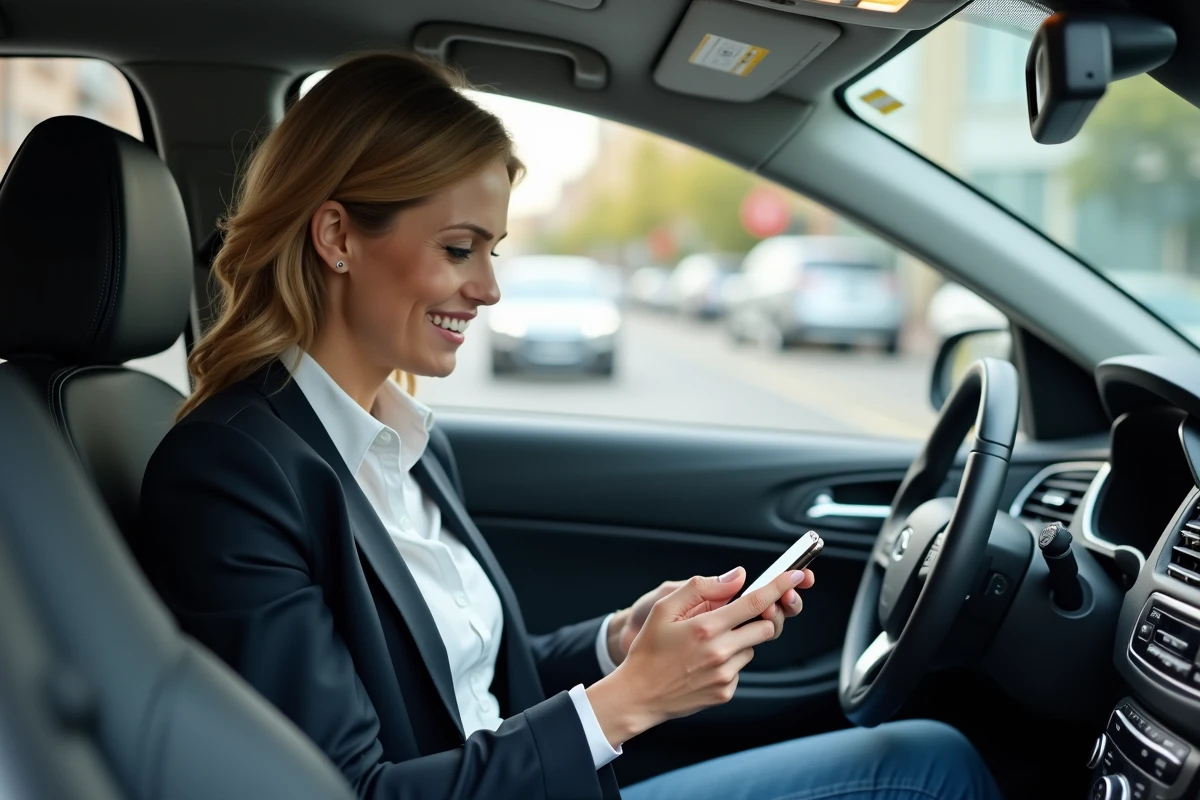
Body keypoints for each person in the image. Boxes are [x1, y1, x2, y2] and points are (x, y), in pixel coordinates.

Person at [138, 51, 1004, 800]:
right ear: (337, 236)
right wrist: (632, 700)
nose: (489, 288)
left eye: (494, 250)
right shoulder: (233, 471)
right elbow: (351, 789)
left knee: (929, 754)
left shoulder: (406, 443)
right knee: (931, 768)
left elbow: (474, 686)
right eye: (458, 248)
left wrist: (620, 641)